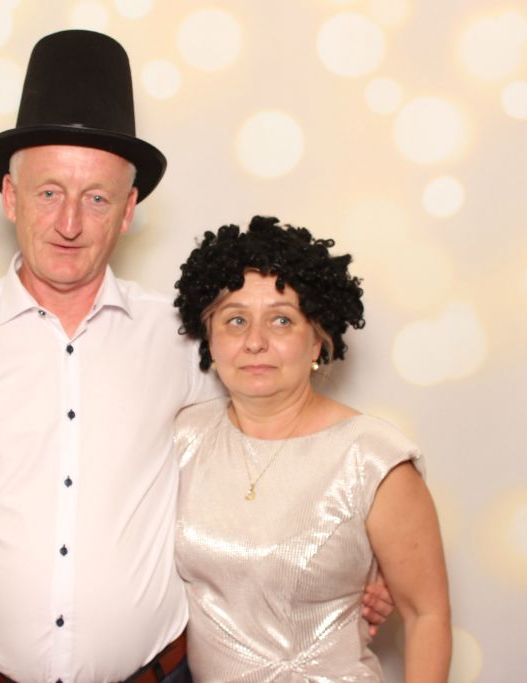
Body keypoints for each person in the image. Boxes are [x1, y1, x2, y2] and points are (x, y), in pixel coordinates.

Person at [0, 30, 393, 683]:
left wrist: (360, 552)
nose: (69, 223)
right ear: (10, 196)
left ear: (127, 211)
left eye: (96, 197)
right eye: (48, 191)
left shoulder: (186, 338)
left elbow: (275, 445)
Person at [171, 216, 451, 682]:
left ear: (318, 339)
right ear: (210, 339)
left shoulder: (372, 458)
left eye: (281, 320)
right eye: (236, 320)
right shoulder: (185, 437)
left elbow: (427, 616)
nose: (255, 342)